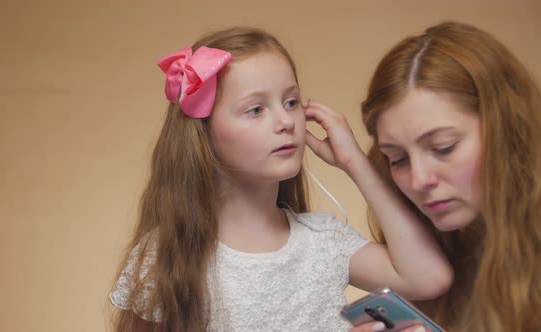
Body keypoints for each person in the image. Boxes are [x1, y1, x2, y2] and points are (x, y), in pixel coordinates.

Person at [108, 27, 452, 332]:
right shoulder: (168, 256)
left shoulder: (323, 242)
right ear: (204, 133)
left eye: (290, 102)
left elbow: (429, 278)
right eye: (256, 109)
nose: (286, 121)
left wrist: (355, 163)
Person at [317, 21, 541, 332]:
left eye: (443, 147)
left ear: (507, 131)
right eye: (398, 159)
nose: (419, 180)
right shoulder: (439, 262)